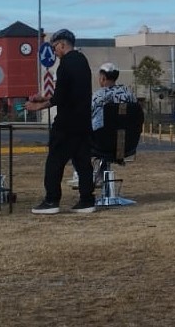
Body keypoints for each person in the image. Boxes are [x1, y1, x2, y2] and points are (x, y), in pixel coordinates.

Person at [25, 28, 96, 214]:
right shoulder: (82, 61)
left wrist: (37, 106)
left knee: (55, 162)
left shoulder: (65, 65)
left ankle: (51, 201)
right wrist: (43, 98)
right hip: (83, 121)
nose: (54, 51)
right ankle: (87, 200)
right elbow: (69, 92)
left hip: (66, 123)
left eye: (54, 46)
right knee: (82, 162)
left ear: (63, 44)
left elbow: (60, 98)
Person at [90, 62, 137, 132]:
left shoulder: (97, 96)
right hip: (127, 136)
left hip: (101, 138)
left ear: (103, 78)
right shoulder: (129, 94)